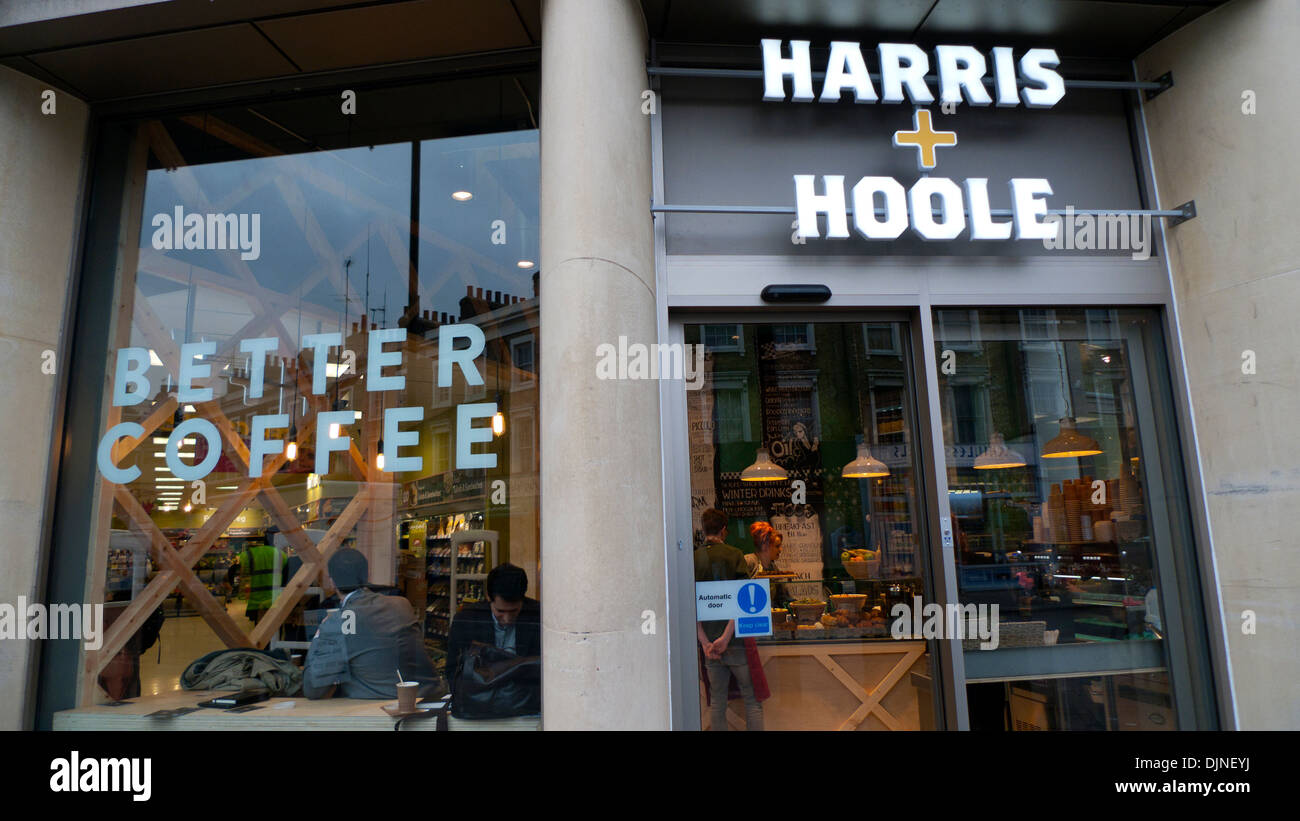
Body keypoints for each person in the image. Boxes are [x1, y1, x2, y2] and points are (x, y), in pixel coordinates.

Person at [302, 548, 442, 699]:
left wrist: (318, 637)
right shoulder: (402, 605)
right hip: (431, 697)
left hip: (384, 708)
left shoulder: (338, 622)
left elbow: (313, 689)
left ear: (332, 582)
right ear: (367, 576)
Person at [694, 508, 763, 731]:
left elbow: (690, 605)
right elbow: (744, 601)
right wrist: (726, 637)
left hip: (709, 645)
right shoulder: (734, 555)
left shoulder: (693, 558)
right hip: (735, 642)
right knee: (752, 701)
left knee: (717, 703)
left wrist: (704, 641)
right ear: (724, 530)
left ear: (703, 530)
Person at [444, 563, 541, 692]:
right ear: (488, 598)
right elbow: (453, 671)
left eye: (513, 611)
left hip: (525, 697)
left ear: (523, 600)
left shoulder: (538, 616)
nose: (507, 619)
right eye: (500, 611)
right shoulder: (466, 620)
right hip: (480, 698)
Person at [241, 529, 284, 626]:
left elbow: (245, 574)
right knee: (275, 629)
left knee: (259, 629)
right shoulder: (282, 555)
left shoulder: (249, 554)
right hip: (275, 600)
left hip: (256, 602)